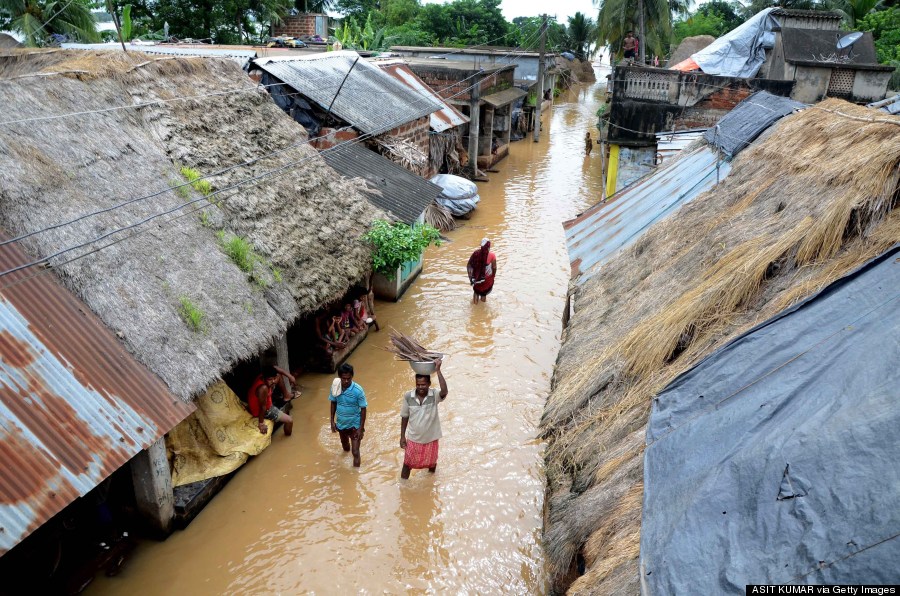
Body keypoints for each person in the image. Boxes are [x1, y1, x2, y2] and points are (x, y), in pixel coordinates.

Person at [399, 358, 448, 479]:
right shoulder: (408, 396)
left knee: (432, 464)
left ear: (429, 384)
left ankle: (430, 483)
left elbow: (444, 391)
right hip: (414, 438)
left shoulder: (434, 395)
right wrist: (402, 437)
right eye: (418, 384)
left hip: (431, 438)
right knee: (407, 464)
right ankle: (403, 488)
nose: (420, 387)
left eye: (423, 385)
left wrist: (438, 370)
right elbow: (405, 416)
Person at [329, 363, 367, 467]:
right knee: (345, 448)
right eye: (343, 378)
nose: (346, 381)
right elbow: (333, 402)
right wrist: (332, 421)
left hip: (355, 425)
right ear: (339, 377)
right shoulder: (335, 387)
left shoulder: (358, 390)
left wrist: (361, 428)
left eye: (348, 379)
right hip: (341, 424)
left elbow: (363, 409)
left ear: (352, 377)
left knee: (355, 452)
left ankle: (355, 477)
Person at [247, 365, 296, 436]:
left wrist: (290, 376)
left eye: (274, 378)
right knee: (289, 420)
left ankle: (287, 395)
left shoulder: (265, 377)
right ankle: (288, 438)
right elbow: (262, 408)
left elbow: (275, 368)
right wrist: (261, 424)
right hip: (263, 410)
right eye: (270, 379)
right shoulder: (263, 388)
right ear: (264, 378)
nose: (273, 381)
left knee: (278, 375)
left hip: (265, 400)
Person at [466, 238, 498, 304]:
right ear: (489, 246)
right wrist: (493, 276)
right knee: (484, 293)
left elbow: (469, 265)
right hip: (486, 280)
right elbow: (494, 268)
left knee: (476, 292)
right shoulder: (492, 256)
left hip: (477, 278)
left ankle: (475, 306)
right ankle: (482, 309)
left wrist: (472, 277)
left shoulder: (476, 253)